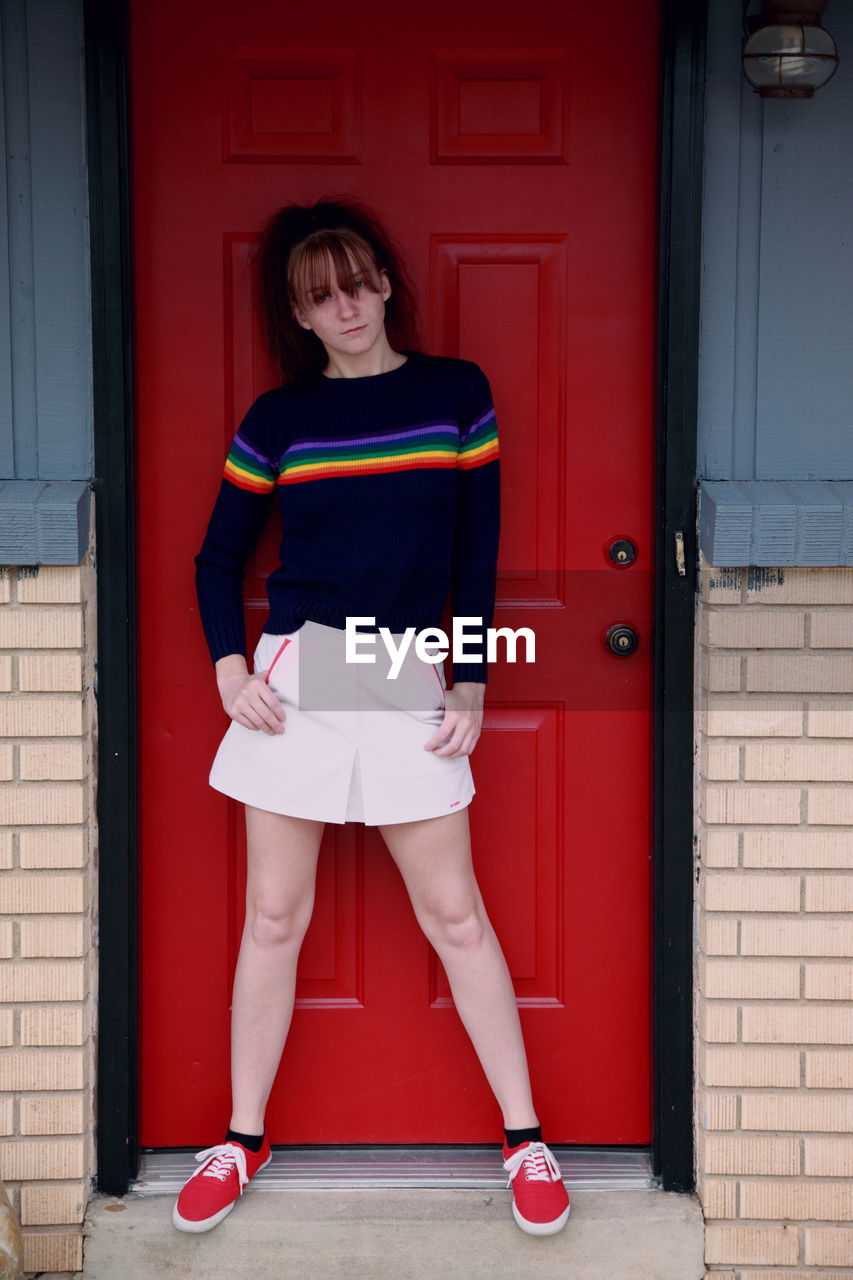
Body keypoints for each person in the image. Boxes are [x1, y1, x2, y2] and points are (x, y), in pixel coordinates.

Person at [173, 195, 570, 1238]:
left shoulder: (455, 395)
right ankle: (242, 1135)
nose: (345, 307)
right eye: (320, 295)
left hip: (398, 666)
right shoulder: (279, 419)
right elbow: (218, 556)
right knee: (273, 915)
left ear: (386, 283)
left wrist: (472, 674)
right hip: (300, 670)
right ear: (299, 316)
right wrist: (227, 668)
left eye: (356, 283)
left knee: (455, 914)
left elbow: (474, 548)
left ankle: (525, 1135)